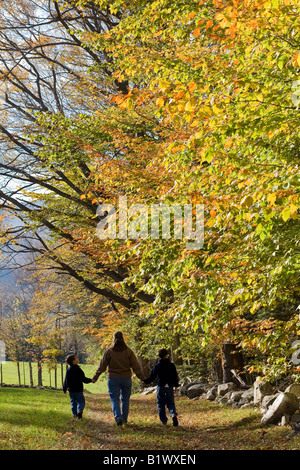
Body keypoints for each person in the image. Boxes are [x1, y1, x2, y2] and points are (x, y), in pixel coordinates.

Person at [92, 331, 145, 426]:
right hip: (126, 378)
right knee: (125, 399)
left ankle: (118, 417)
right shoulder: (129, 351)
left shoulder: (109, 352)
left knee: (114, 399)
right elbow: (136, 366)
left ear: (114, 338)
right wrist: (142, 378)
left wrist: (95, 377)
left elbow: (102, 366)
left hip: (113, 378)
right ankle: (124, 420)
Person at [143, 348, 179, 426]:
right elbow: (175, 376)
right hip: (169, 385)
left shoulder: (157, 366)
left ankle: (163, 421)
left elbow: (152, 377)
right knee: (170, 402)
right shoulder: (171, 365)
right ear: (167, 355)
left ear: (159, 356)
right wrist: (175, 385)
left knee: (161, 403)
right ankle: (173, 413)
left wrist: (145, 381)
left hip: (161, 385)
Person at [63, 353, 93, 419]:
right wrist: (91, 380)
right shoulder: (78, 369)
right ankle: (79, 411)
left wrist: (64, 388)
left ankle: (74, 414)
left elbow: (66, 380)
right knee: (80, 401)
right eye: (76, 358)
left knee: (73, 402)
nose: (78, 359)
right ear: (74, 361)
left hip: (71, 390)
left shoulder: (68, 370)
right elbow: (83, 379)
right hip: (78, 389)